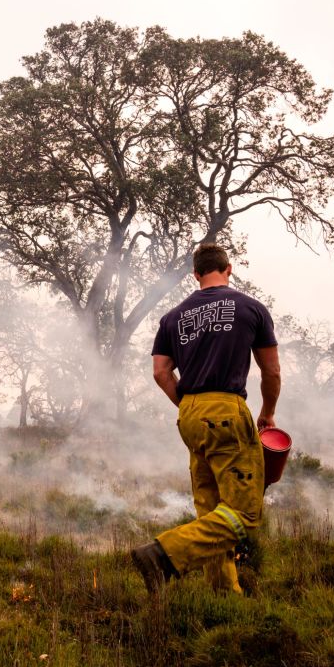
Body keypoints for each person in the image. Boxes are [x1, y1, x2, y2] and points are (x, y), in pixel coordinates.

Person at [131, 243, 281, 596]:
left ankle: (224, 596)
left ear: (195, 274)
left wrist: (187, 405)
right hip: (227, 409)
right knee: (243, 514)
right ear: (229, 269)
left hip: (190, 413)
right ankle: (165, 553)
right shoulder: (250, 308)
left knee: (213, 510)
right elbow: (270, 371)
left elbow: (161, 372)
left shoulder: (172, 317)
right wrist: (268, 412)